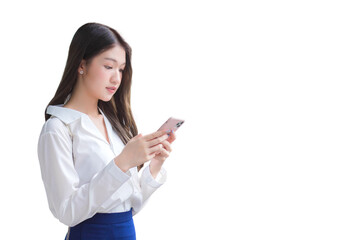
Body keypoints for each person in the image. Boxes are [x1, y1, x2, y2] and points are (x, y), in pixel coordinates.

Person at [37, 22, 176, 240]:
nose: (117, 79)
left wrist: (154, 166)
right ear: (82, 64)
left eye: (121, 69)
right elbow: (66, 211)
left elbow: (129, 206)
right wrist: (121, 163)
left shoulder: (113, 123)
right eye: (109, 67)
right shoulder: (57, 129)